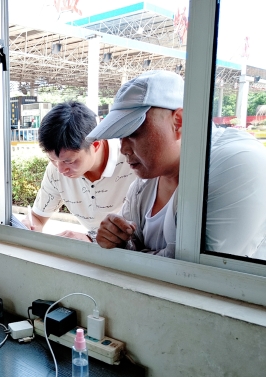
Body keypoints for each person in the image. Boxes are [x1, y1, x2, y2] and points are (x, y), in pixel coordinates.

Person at [88, 70, 266, 259]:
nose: (123, 149)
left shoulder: (238, 163)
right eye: (120, 136)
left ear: (179, 122)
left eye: (133, 133)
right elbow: (134, 245)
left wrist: (128, 251)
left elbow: (193, 268)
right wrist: (118, 239)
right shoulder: (145, 182)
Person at [22, 101, 136, 241]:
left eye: (69, 161)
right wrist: (30, 225)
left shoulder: (133, 162)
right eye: (52, 159)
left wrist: (91, 239)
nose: (61, 169)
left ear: (95, 145)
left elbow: (144, 233)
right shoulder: (55, 170)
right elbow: (38, 217)